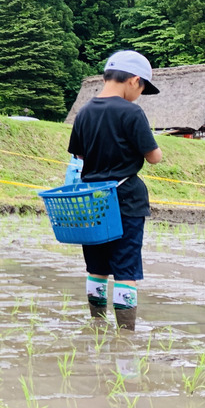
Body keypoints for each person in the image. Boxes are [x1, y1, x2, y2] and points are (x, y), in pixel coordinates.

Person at [68, 50, 162, 331]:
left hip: (93, 200)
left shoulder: (84, 112)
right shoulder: (131, 112)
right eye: (143, 87)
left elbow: (80, 156)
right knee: (125, 269)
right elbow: (153, 156)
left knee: (96, 266)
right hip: (126, 199)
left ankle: (97, 325)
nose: (140, 94)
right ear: (133, 80)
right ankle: (126, 334)